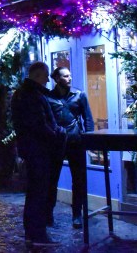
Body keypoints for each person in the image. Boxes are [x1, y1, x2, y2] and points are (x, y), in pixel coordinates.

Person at [12, 61, 66, 248]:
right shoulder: (31, 95)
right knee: (38, 194)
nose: (47, 79)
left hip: (33, 150)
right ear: (37, 76)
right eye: (45, 75)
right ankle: (38, 235)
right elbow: (39, 125)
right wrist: (56, 134)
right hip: (38, 152)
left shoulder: (24, 94)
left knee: (34, 193)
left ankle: (32, 233)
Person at [47, 66, 95, 229]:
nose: (70, 78)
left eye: (70, 75)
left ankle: (77, 214)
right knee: (52, 179)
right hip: (55, 143)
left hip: (76, 141)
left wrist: (89, 140)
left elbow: (88, 118)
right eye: (66, 76)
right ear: (57, 79)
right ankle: (48, 213)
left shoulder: (79, 95)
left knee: (79, 180)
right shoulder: (49, 97)